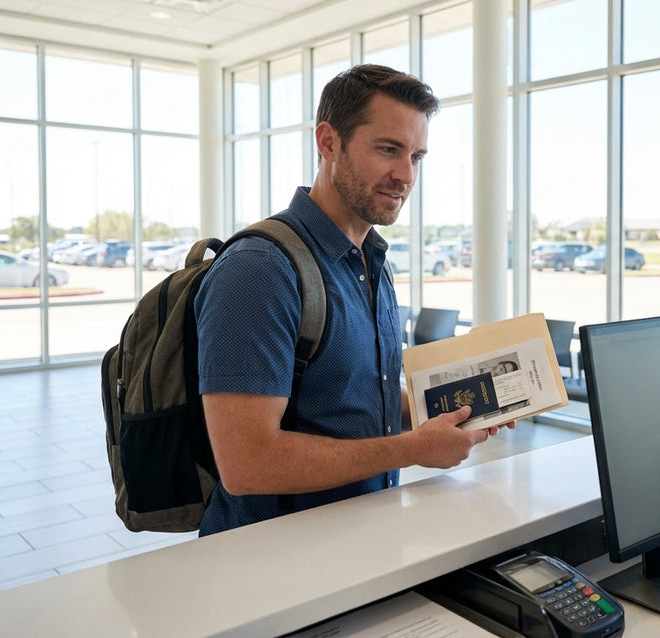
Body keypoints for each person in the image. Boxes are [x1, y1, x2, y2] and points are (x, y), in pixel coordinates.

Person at [193, 64, 508, 536]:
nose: (405, 175)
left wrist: (463, 407)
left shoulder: (371, 260)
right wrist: (413, 448)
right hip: (274, 562)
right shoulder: (260, 268)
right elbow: (247, 464)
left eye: (417, 156)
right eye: (388, 149)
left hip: (365, 539)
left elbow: (358, 396)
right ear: (328, 142)